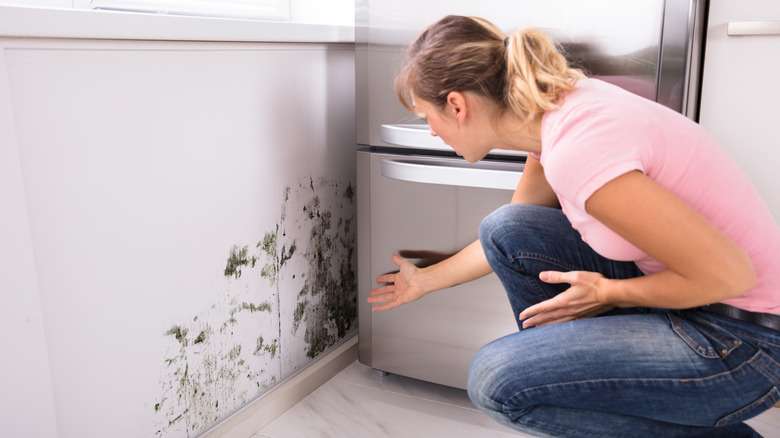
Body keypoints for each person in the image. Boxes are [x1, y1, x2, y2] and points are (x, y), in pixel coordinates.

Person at [367, 15, 780, 438]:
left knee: (496, 382)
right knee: (506, 228)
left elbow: (731, 275)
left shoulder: (578, 152)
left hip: (744, 341)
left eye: (425, 115)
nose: (431, 131)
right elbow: (507, 238)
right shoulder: (554, 113)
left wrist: (609, 293)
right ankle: (575, 380)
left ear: (457, 105)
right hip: (697, 299)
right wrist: (425, 281)